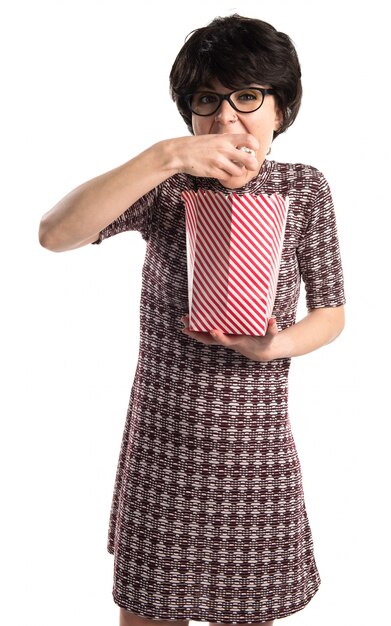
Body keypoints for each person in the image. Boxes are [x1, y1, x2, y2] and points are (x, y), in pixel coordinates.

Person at [39, 14, 345, 626]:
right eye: (208, 99)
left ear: (280, 110)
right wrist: (165, 157)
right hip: (164, 444)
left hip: (254, 451)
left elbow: (332, 313)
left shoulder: (305, 189)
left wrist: (274, 345)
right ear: (189, 112)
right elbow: (55, 233)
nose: (228, 117)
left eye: (248, 97)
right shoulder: (166, 186)